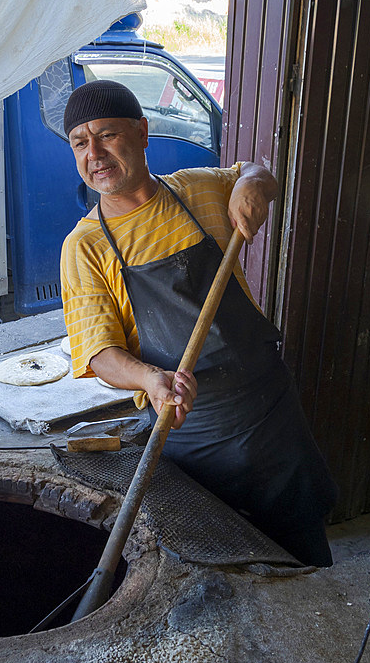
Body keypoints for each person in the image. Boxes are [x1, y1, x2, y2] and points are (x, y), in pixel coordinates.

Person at [59, 80, 338, 566]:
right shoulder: (85, 247)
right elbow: (98, 354)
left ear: (143, 133)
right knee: (218, 563)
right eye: (81, 143)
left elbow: (256, 172)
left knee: (303, 548)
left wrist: (253, 182)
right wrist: (150, 378)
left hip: (267, 408)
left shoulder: (200, 188)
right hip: (189, 427)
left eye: (107, 135)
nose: (95, 154)